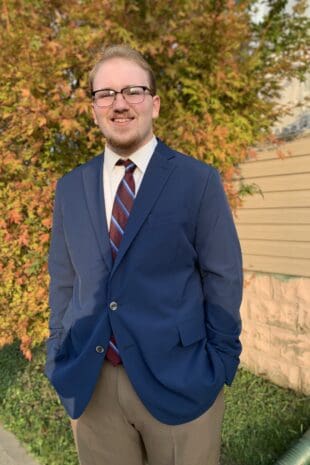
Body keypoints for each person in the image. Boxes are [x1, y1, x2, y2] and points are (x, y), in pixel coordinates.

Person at [45, 44, 243, 465]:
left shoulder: (197, 180)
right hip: (93, 386)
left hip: (181, 382)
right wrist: (57, 354)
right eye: (105, 94)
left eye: (132, 91)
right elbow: (64, 280)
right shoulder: (70, 188)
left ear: (154, 103)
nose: (119, 104)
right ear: (94, 109)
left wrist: (221, 363)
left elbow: (223, 277)